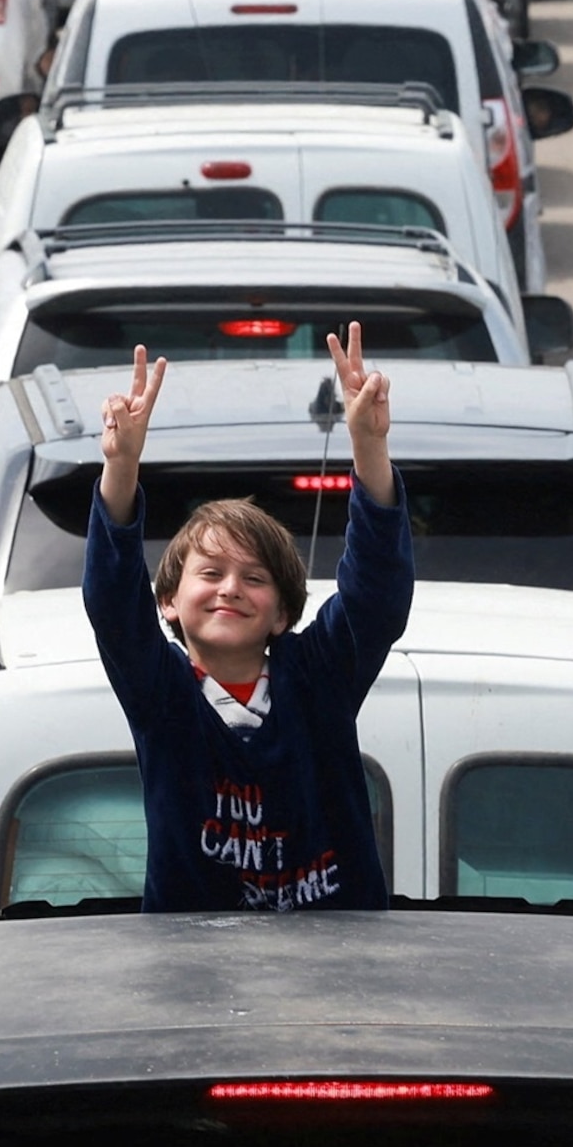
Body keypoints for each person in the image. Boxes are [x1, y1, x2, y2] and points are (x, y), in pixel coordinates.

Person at [84, 329, 410, 911]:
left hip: (341, 961)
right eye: (210, 573)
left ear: (283, 613)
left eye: (255, 578)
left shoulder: (317, 677)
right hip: (191, 965)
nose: (230, 589)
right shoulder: (162, 693)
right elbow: (111, 602)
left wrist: (368, 444)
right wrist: (121, 465)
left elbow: (377, 597)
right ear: (167, 601)